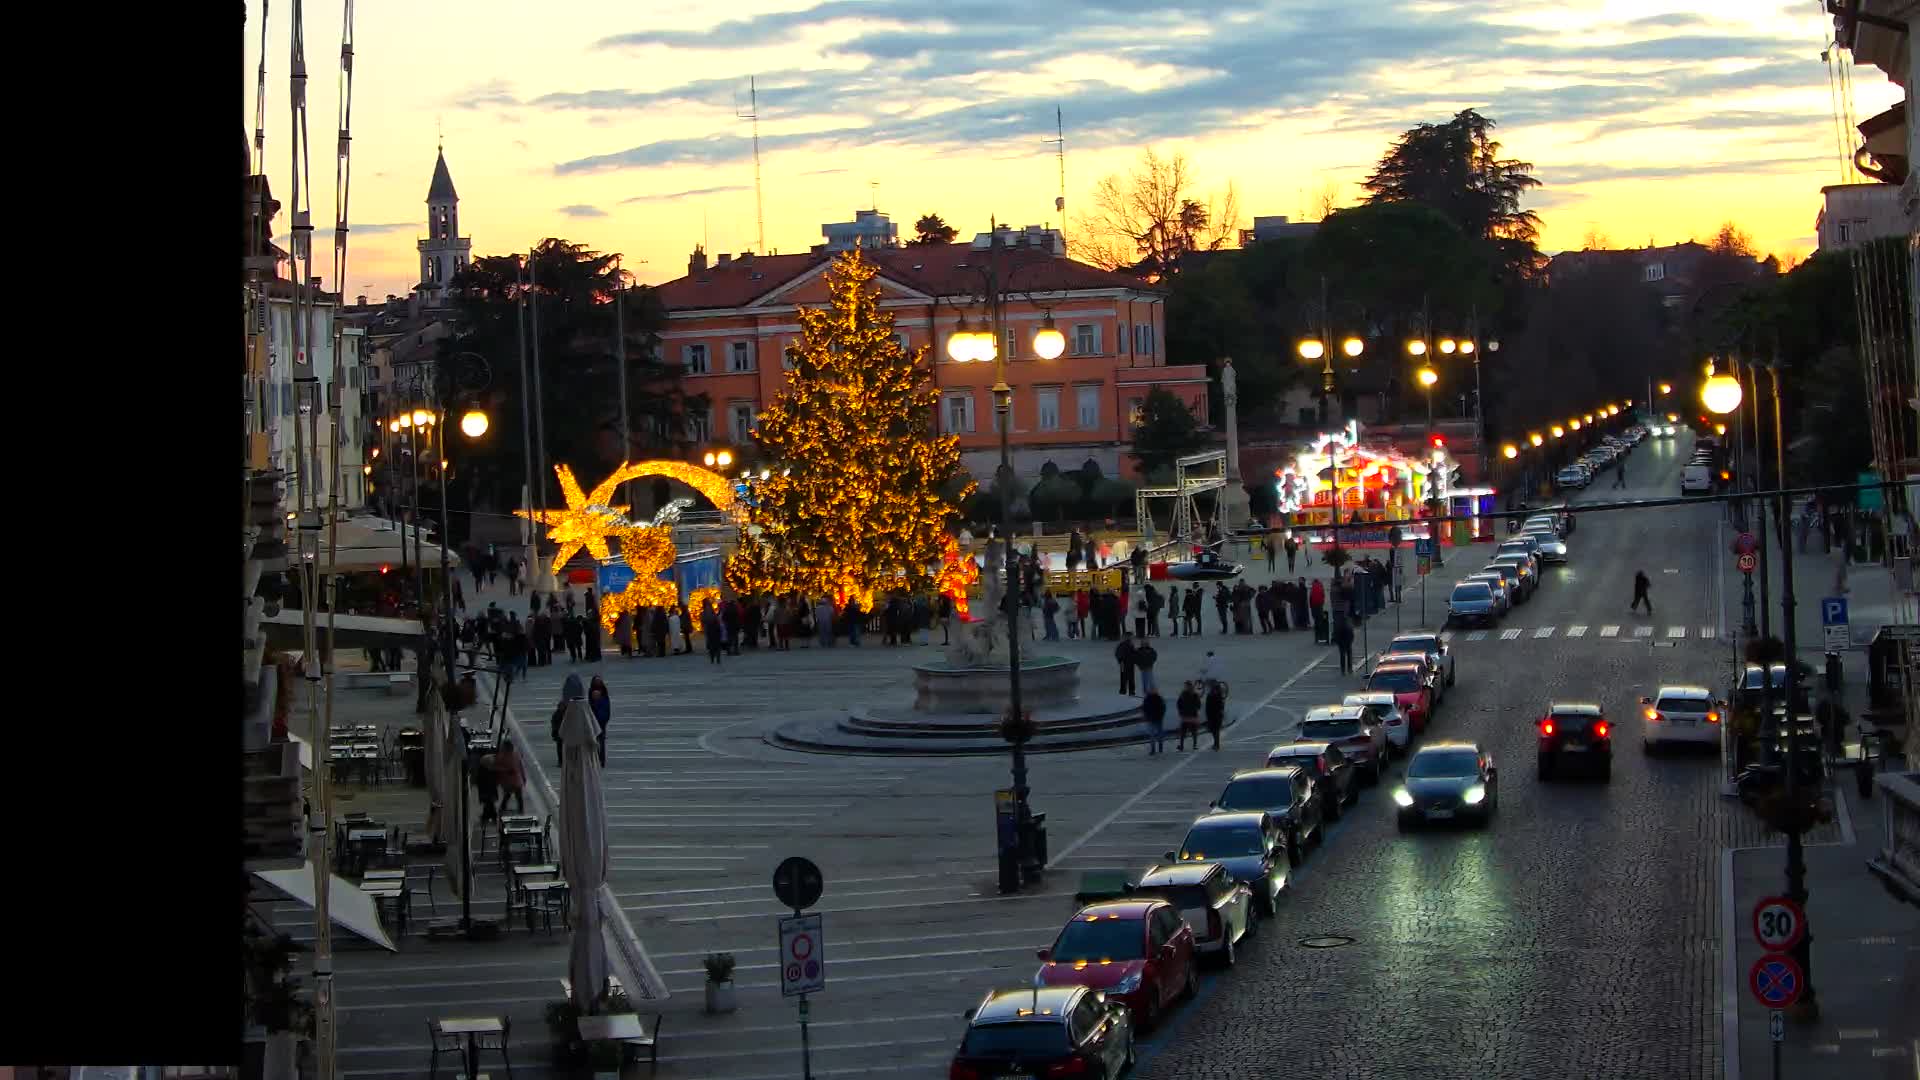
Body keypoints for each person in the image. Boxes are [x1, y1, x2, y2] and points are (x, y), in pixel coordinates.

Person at [495, 738, 526, 815]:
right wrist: (523, 777)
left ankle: (504, 808)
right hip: (511, 780)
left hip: (512, 780)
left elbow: (520, 767)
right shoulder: (506, 756)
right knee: (514, 795)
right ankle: (519, 809)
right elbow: (521, 767)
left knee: (511, 795)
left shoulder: (505, 756)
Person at [588, 675, 612, 767]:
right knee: (594, 742)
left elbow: (606, 709)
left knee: (601, 742)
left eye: (599, 681)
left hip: (600, 722)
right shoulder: (591, 691)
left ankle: (601, 760)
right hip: (594, 721)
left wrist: (604, 720)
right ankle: (595, 759)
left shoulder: (604, 694)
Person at [474, 752, 500, 823]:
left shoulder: (482, 770)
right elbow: (495, 780)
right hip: (490, 791)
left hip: (485, 791)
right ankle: (490, 816)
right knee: (490, 804)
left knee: (488, 804)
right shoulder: (492, 770)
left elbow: (478, 781)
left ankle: (487, 817)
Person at [1176, 681, 1203, 750]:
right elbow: (1199, 705)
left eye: (1186, 686)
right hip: (1192, 716)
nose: (1185, 687)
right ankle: (1194, 745)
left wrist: (1180, 712)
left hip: (1186, 716)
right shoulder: (1194, 694)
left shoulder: (1183, 694)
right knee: (1193, 731)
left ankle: (1182, 746)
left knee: (1183, 732)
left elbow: (1179, 704)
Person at [1142, 689, 1167, 755]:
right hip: (1155, 719)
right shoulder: (1157, 698)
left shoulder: (1149, 699)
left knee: (1154, 734)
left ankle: (1156, 749)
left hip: (1155, 719)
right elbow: (1144, 709)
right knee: (1156, 734)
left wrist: (1146, 716)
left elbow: (1144, 709)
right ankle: (1157, 748)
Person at [1204, 681, 1226, 750]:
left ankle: (1217, 744)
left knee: (1216, 730)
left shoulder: (1217, 696)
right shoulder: (1212, 695)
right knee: (1214, 730)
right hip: (1213, 715)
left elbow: (1221, 706)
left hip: (1216, 715)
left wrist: (1221, 713)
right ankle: (1216, 743)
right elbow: (1207, 706)